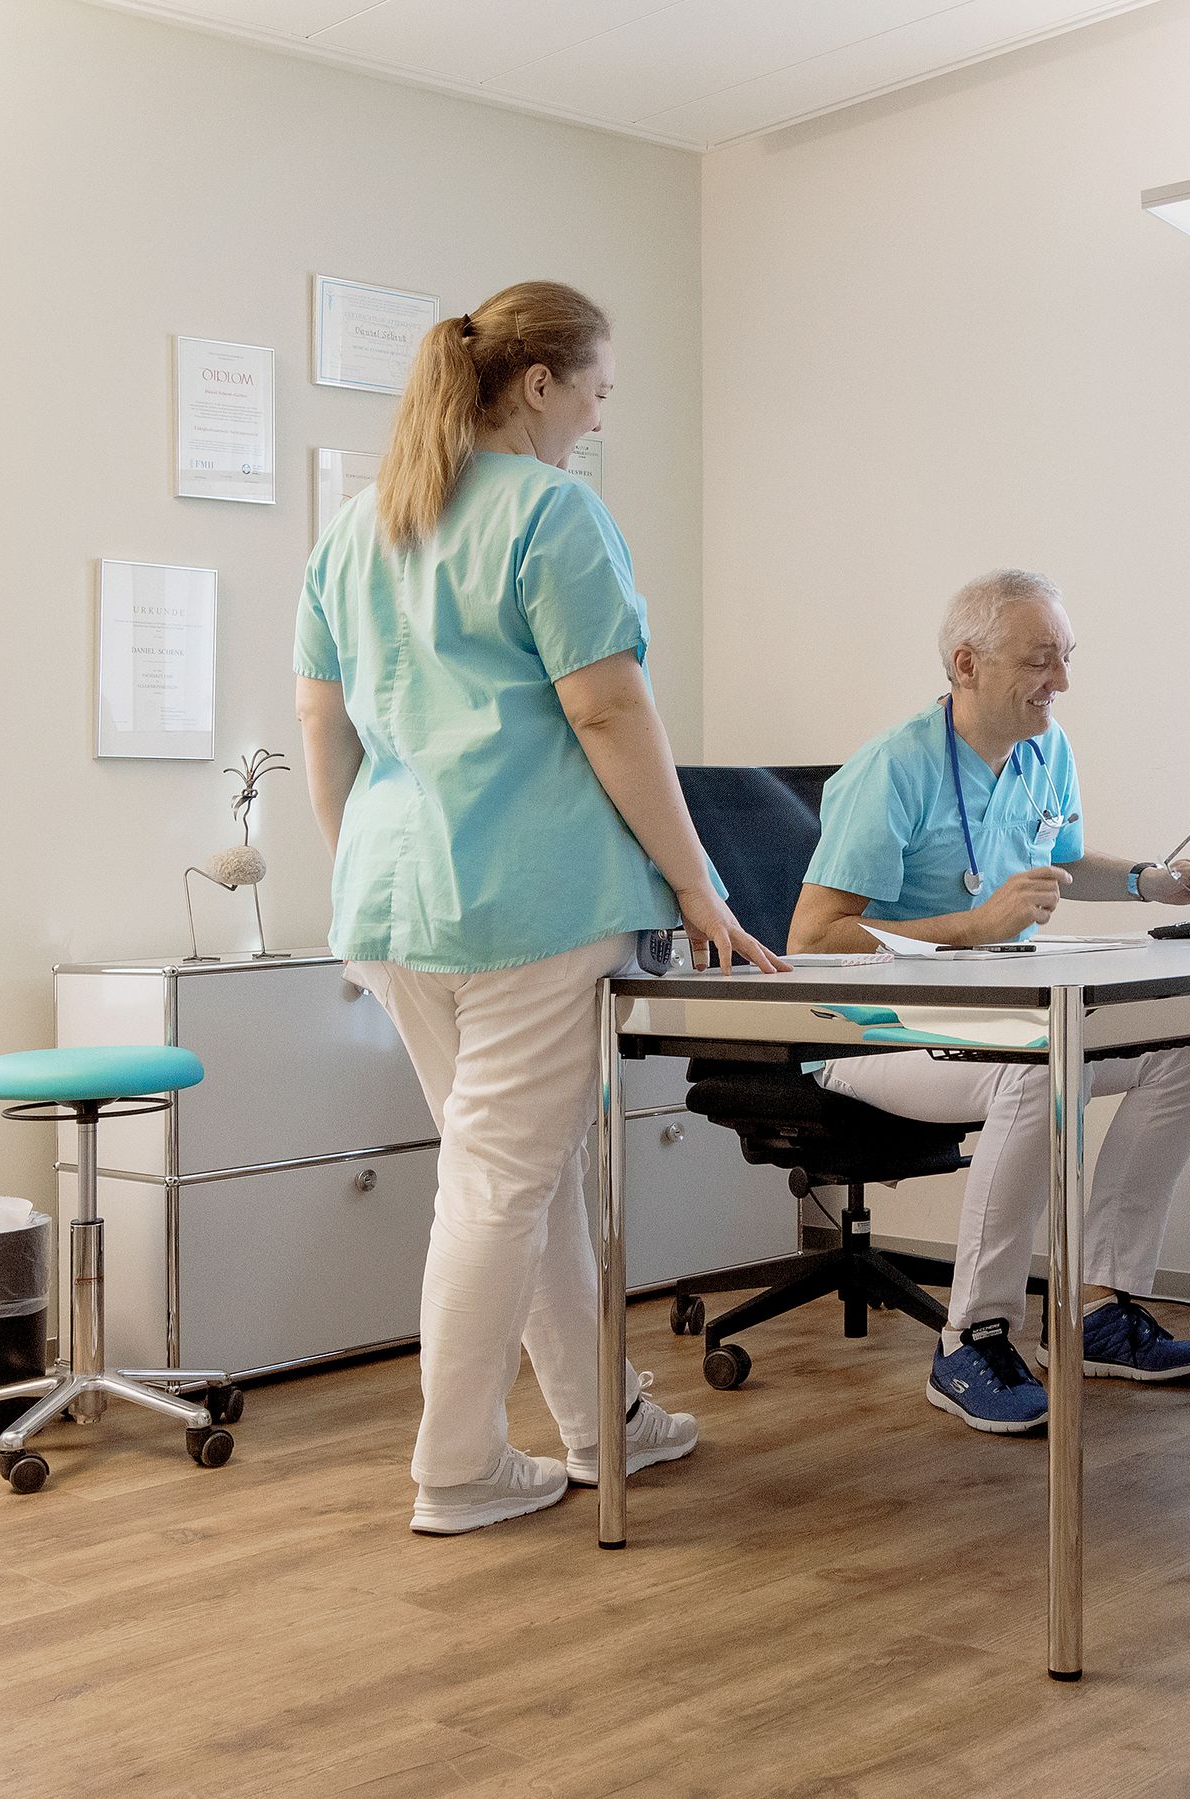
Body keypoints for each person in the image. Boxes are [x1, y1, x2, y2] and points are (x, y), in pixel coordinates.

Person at [296, 280, 785, 1535]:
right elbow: (607, 710)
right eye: (595, 395)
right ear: (535, 385)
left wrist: (361, 870)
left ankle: (598, 1418)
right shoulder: (553, 512)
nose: (592, 422)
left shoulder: (357, 528)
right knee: (502, 1185)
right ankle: (454, 1466)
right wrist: (698, 884)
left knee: (524, 1171)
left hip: (399, 898)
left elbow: (322, 724)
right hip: (531, 898)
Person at [787, 569, 1190, 1434]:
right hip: (871, 1031)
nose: (1060, 683)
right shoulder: (894, 768)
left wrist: (1154, 882)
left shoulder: (1043, 750)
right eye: (1040, 661)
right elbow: (812, 937)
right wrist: (973, 925)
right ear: (967, 664)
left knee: (1188, 1041)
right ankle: (971, 1340)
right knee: (1038, 1066)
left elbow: (1061, 856)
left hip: (993, 1018)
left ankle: (1103, 1308)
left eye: (1065, 658)